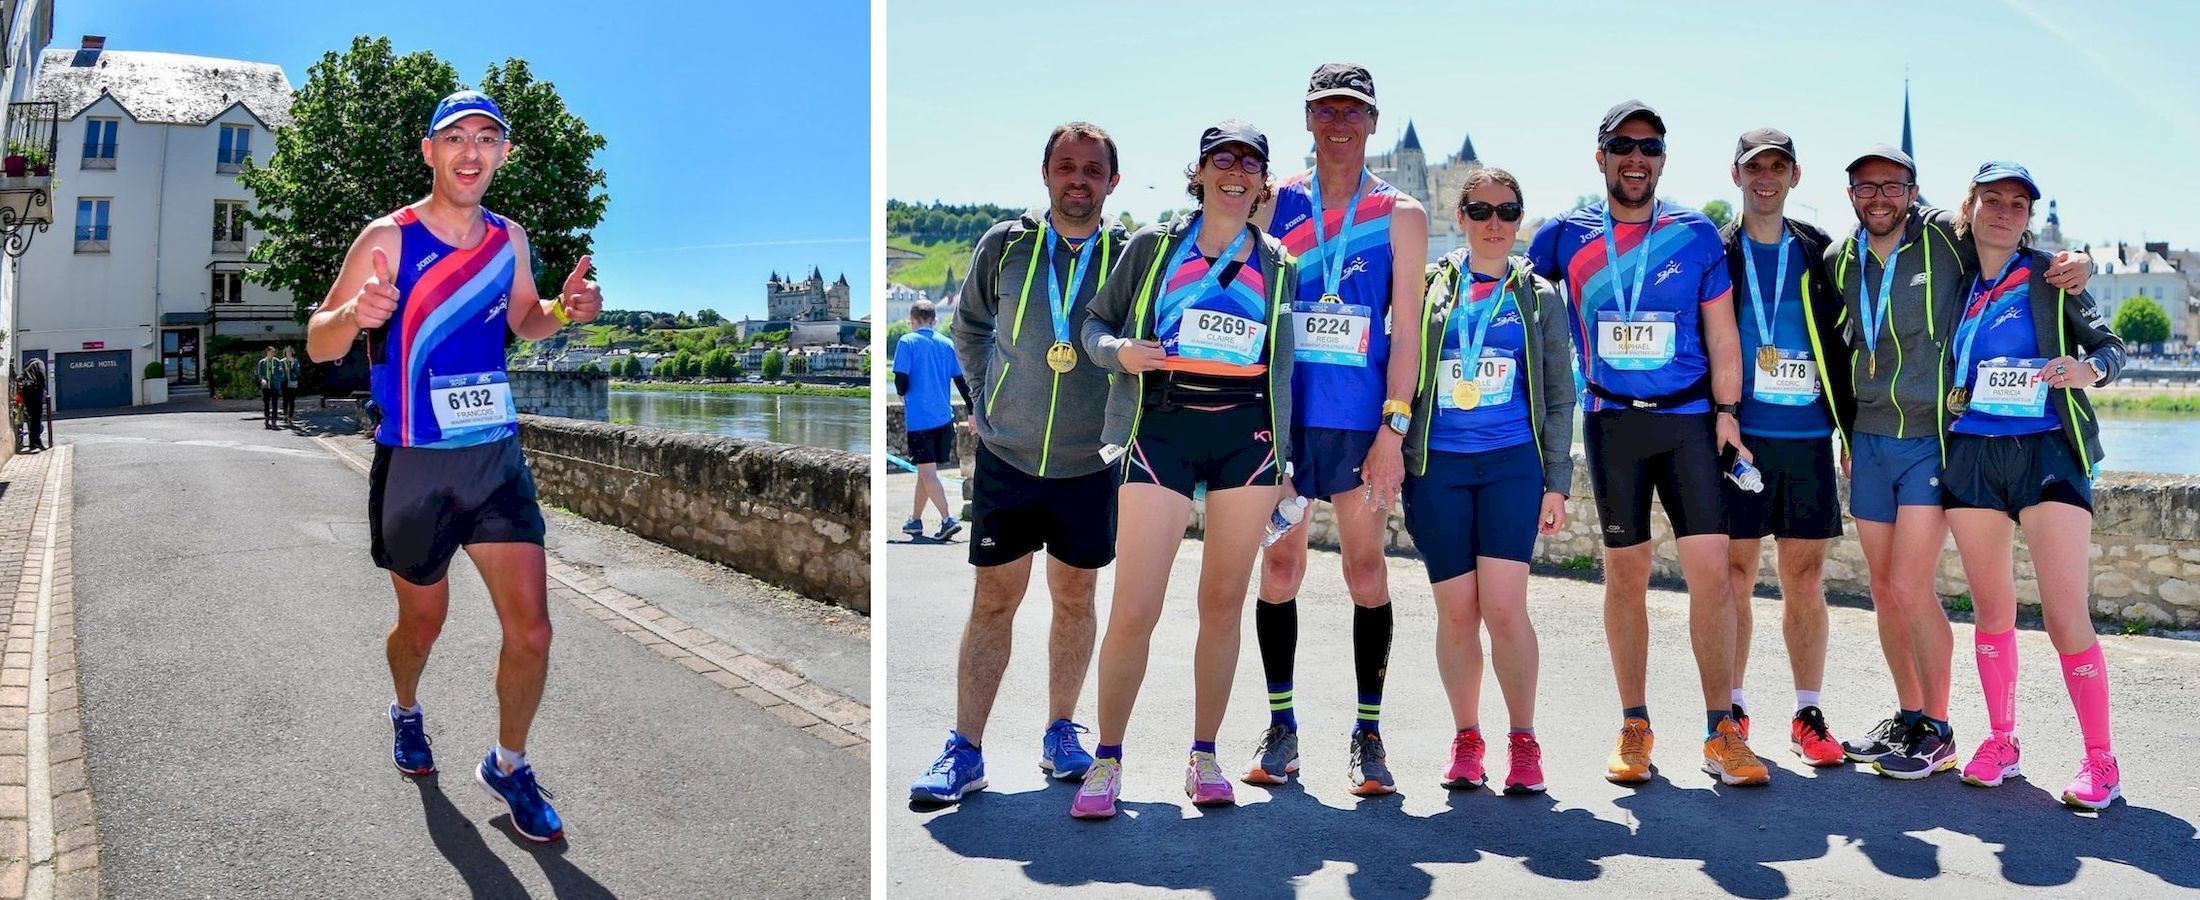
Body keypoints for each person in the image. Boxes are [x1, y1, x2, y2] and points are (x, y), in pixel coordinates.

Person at [304, 89, 602, 843]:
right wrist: (352, 317)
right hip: (417, 466)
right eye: (456, 138)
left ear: (502, 154)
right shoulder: (389, 237)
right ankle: (406, 708)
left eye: (487, 139)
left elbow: (526, 321)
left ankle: (508, 762)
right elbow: (318, 342)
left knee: (532, 631)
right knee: (422, 623)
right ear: (431, 152)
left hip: (494, 459)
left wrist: (565, 310)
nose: (472, 152)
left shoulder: (511, 240)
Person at [1826, 145, 2091, 779]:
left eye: (1894, 185)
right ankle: (1910, 717)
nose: (1880, 196)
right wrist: (1841, 430)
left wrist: (2077, 261)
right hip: (1867, 437)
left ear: (1914, 191)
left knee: (1912, 587)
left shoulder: (1946, 237)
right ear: (1851, 195)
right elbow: (1836, 343)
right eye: (1867, 187)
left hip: (1932, 438)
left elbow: (2015, 251)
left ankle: (1940, 728)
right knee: (1885, 592)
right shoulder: (1840, 259)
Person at [1526, 100, 1767, 787]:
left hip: (1690, 421)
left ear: (1663, 158)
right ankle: (1634, 724)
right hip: (1611, 424)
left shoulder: (1693, 234)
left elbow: (1723, 336)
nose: (1637, 159)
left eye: (1650, 147)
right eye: (1623, 146)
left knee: (1712, 577)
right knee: (1625, 576)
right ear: (1599, 156)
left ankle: (1722, 730)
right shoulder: (1562, 236)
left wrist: (1728, 412)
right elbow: (1515, 303)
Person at [1070, 120, 1296, 819]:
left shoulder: (1280, 262)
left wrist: (1287, 463)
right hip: (1160, 427)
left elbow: (1287, 366)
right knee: (1135, 606)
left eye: (1250, 162)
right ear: (1197, 172)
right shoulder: (1153, 246)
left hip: (1245, 436)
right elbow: (1091, 325)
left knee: (1222, 606)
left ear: (1264, 180)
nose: (1236, 171)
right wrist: (1118, 354)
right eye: (1222, 159)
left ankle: (1204, 755)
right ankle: (1106, 761)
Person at [909, 122, 1126, 804]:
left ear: (1111, 182)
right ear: (1046, 174)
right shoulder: (1005, 244)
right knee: (994, 602)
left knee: (1075, 600)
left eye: (1093, 169)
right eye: (1067, 166)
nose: (1078, 179)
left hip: (1090, 461)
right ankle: (965, 750)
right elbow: (968, 328)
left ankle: (1061, 730)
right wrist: (984, 398)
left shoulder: (1129, 255)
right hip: (1007, 456)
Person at [1246, 63, 1429, 795]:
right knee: (1281, 570)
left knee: (1364, 573)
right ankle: (1282, 727)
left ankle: (1369, 735)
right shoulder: (1272, 201)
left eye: (1353, 111)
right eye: (1327, 110)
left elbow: (1408, 331)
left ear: (1374, 122)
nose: (1340, 123)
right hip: (1284, 425)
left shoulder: (1403, 213)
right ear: (1308, 118)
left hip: (1361, 428)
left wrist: (1394, 430)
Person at [1936, 162, 2126, 809]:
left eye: (2019, 204)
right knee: (1991, 612)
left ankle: (2101, 760)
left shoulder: (2052, 276)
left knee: (2064, 611)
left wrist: (2087, 370)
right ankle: (2002, 742)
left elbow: (2112, 348)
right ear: (1972, 206)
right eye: (1993, 200)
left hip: (2047, 451)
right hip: (1971, 454)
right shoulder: (1950, 276)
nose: (2006, 212)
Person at [1402, 167, 1573, 794]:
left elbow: (1560, 397)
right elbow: (1400, 373)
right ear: (1462, 214)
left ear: (1520, 218)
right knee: (1456, 613)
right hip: (1438, 468)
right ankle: (1467, 738)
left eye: (1507, 211)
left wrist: (1557, 481)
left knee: (1504, 609)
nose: (1494, 224)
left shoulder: (1539, 296)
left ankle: (1523, 741)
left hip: (1511, 466)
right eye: (1480, 211)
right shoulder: (1429, 286)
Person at [1716, 129, 1853, 766]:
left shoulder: (1820, 252)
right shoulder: (1716, 251)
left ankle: (1807, 713)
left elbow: (1852, 343)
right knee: (1735, 578)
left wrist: (1850, 431)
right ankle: (1733, 709)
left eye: (1777, 167)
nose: (1765, 178)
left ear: (1795, 176)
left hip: (1807, 441)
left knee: (1805, 579)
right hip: (1741, 441)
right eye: (1754, 168)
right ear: (1737, 176)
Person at [894, 300, 971, 541]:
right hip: (943, 419)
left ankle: (948, 519)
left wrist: (902, 392)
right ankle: (915, 521)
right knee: (925, 472)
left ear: (912, 319)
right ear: (934, 320)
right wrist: (971, 411)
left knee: (927, 473)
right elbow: (962, 382)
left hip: (920, 420)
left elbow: (901, 381)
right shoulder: (947, 344)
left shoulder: (907, 342)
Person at [17, 358, 45, 452]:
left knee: (31, 417)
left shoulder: (26, 367)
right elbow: (41, 375)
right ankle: (36, 441)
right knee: (37, 417)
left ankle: (33, 443)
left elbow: (19, 378)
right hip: (35, 389)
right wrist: (42, 388)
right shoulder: (39, 363)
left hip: (26, 391)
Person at [257, 346, 282, 429]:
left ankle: (274, 421)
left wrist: (276, 380)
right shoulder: (262, 362)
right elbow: (260, 373)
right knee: (266, 404)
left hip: (275, 386)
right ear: (267, 352)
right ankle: (267, 420)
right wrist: (263, 380)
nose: (272, 353)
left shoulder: (277, 362)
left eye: (273, 352)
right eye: (270, 352)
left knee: (275, 404)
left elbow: (280, 373)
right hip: (266, 386)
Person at [281, 345, 303, 423]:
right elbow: (280, 372)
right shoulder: (282, 361)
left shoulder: (296, 361)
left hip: (293, 382)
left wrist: (293, 364)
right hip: (284, 382)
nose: (289, 353)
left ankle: (291, 417)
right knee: (285, 400)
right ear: (285, 353)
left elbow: (298, 372)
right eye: (287, 352)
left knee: (292, 400)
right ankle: (285, 415)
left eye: (290, 352)